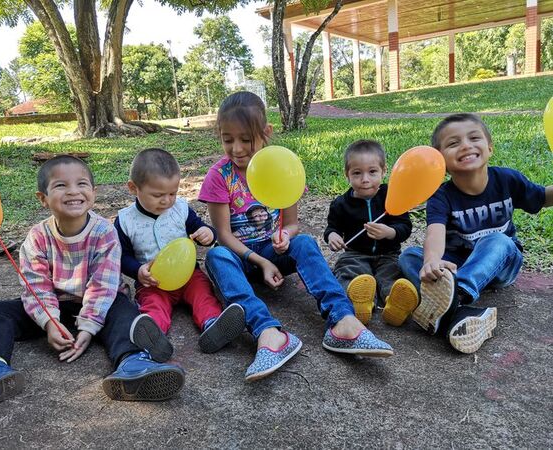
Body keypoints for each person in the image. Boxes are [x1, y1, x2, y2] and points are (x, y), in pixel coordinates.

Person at [0, 155, 185, 419]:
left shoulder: (104, 233)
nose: (74, 191)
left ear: (93, 193)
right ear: (43, 198)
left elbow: (103, 284)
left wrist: (87, 326)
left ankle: (133, 365)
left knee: (125, 311)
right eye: (61, 186)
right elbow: (36, 286)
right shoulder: (37, 237)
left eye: (82, 184)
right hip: (56, 307)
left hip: (101, 306)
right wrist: (50, 322)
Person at [199, 91, 393, 382]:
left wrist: (285, 239)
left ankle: (343, 321)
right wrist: (260, 263)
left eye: (246, 139)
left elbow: (291, 225)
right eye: (228, 139)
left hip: (272, 251)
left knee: (303, 243)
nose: (236, 148)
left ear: (266, 133)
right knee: (215, 255)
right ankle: (269, 333)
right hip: (239, 258)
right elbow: (223, 235)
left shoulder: (282, 167)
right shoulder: (219, 176)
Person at [399, 113, 553, 353]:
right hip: (458, 263)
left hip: (502, 264)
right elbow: (435, 233)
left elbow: (542, 198)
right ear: (440, 162)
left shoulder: (507, 179)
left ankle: (457, 296)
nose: (466, 145)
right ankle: (461, 315)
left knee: (498, 240)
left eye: (474, 138)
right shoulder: (441, 196)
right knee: (409, 256)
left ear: (489, 148)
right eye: (453, 143)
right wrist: (431, 261)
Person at [114, 148, 245, 365]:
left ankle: (213, 325)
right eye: (158, 195)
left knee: (203, 293)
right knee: (153, 305)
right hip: (153, 281)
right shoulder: (126, 221)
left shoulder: (180, 209)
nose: (167, 200)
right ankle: (152, 336)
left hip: (188, 274)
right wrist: (137, 271)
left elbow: (200, 228)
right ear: (133, 188)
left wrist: (208, 233)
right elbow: (121, 256)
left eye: (172, 193)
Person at [325, 139, 417, 327]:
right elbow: (332, 227)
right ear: (347, 175)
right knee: (349, 272)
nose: (365, 179)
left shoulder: (392, 197)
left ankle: (396, 304)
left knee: (392, 276)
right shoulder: (340, 204)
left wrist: (390, 232)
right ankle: (359, 302)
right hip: (355, 254)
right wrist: (332, 236)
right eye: (357, 173)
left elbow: (405, 226)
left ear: (384, 172)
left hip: (388, 255)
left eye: (372, 172)